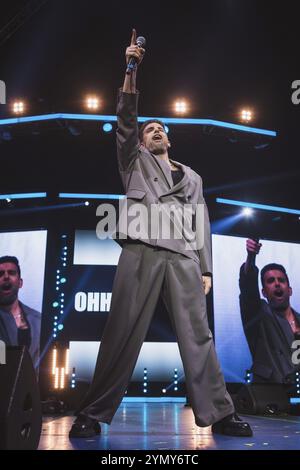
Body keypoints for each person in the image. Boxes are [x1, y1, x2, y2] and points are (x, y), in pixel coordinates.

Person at [69, 30, 252, 438]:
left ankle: (220, 414)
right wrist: (131, 69)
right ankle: (93, 413)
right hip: (141, 250)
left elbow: (200, 223)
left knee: (198, 336)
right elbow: (125, 120)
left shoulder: (192, 177)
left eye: (159, 128)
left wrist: (205, 269)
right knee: (121, 331)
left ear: (168, 137)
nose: (153, 131)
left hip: (184, 256)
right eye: (148, 128)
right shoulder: (133, 162)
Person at [239, 238, 300, 383]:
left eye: (281, 280)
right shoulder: (258, 314)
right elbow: (248, 289)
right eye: (271, 281)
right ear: (264, 292)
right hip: (269, 394)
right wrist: (251, 256)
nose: (277, 284)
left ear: (290, 290)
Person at [0, 255, 41, 369]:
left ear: (20, 283)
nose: (6, 276)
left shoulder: (38, 320)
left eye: (12, 272)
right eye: (0, 274)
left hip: (33, 385)